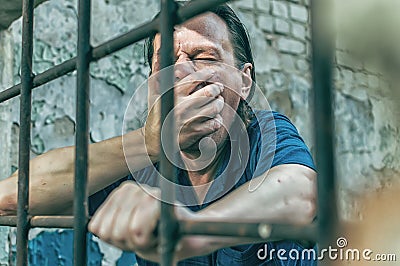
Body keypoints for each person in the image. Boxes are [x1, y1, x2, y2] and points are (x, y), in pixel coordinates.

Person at [0, 4, 317, 265]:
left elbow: (300, 192)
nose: (179, 71)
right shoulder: (141, 165)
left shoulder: (262, 132)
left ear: (245, 82)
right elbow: (12, 199)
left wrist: (192, 231)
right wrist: (149, 143)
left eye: (205, 56)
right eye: (164, 61)